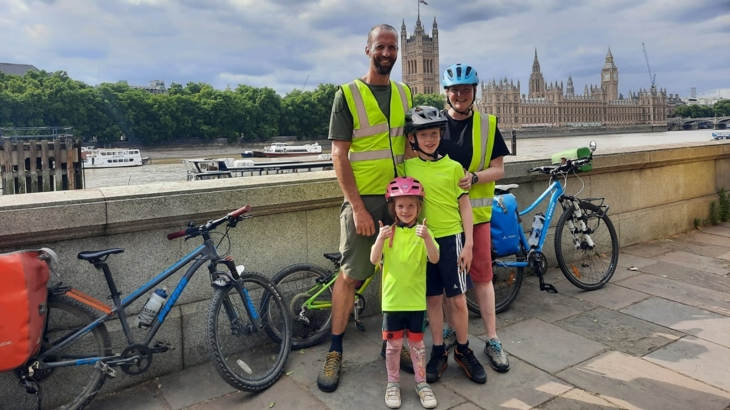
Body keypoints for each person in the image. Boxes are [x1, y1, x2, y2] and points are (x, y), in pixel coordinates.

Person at [317, 23, 414, 393]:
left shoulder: (405, 93)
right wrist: (357, 208)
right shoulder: (348, 94)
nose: (387, 53)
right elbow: (338, 155)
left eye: (392, 48)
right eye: (380, 47)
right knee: (352, 275)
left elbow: (407, 147)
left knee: (399, 274)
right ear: (368, 50)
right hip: (365, 200)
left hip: (400, 199)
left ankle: (392, 344)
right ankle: (335, 350)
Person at [403, 106, 487, 385]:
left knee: (459, 299)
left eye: (434, 134)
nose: (430, 139)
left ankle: (463, 349)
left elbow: (465, 208)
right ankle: (438, 350)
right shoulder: (407, 167)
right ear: (413, 139)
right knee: (432, 300)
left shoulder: (453, 168)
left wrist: (469, 244)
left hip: (452, 239)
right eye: (423, 134)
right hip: (423, 239)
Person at [439, 63, 511, 373]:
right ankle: (447, 332)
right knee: (444, 282)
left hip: (478, 215)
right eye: (455, 90)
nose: (459, 94)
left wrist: (475, 177)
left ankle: (493, 339)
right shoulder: (433, 124)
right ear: (447, 93)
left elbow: (499, 169)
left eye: (465, 90)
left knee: (482, 277)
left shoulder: (487, 124)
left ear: (474, 93)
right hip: (442, 214)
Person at [370, 176, 439, 409]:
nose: (406, 210)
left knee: (418, 346)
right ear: (393, 209)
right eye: (400, 206)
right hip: (392, 303)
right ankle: (393, 383)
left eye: (411, 205)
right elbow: (374, 259)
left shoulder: (423, 233)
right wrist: (379, 239)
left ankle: (422, 383)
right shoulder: (388, 233)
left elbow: (435, 258)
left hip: (416, 303)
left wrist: (428, 237)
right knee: (394, 346)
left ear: (419, 207)